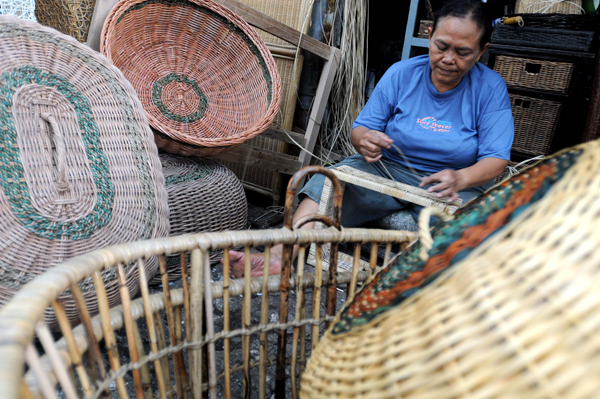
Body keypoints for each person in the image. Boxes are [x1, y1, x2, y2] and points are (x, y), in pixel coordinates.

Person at [226, 0, 514, 278]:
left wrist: (461, 179)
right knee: (329, 181)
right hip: (387, 169)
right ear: (429, 35)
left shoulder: (490, 88)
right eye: (441, 46)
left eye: (463, 52)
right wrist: (364, 140)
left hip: (450, 185)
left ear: (481, 51)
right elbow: (362, 128)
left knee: (473, 233)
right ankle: (278, 256)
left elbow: (496, 159)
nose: (449, 59)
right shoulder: (402, 74)